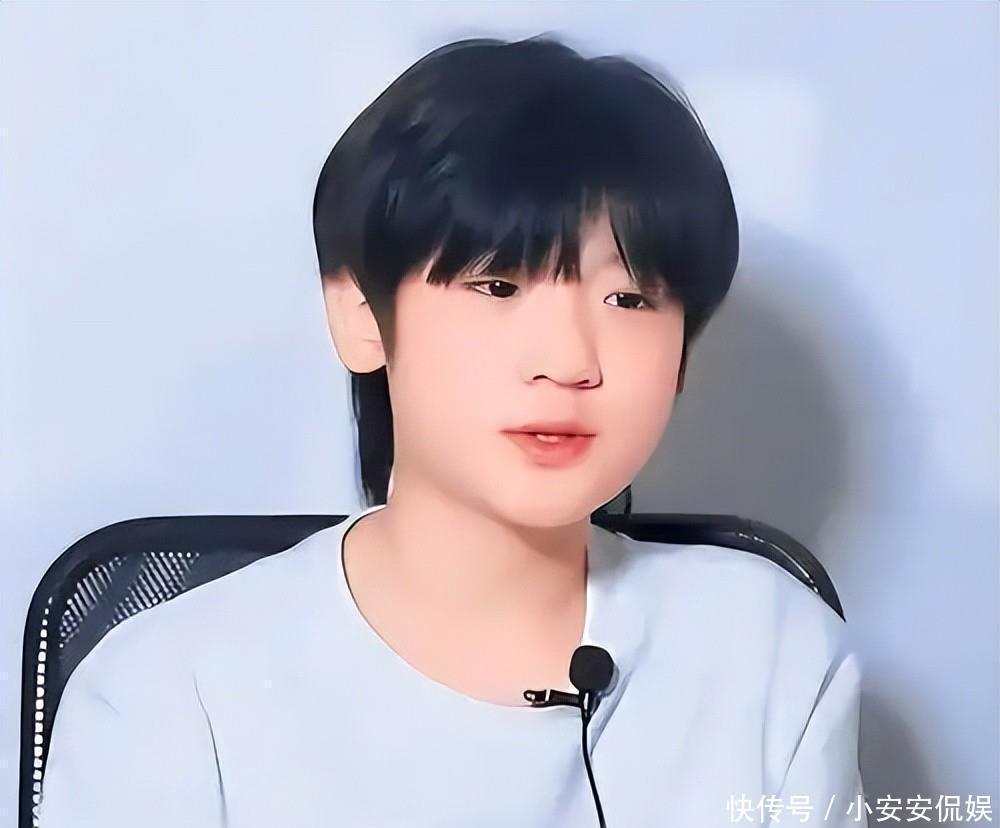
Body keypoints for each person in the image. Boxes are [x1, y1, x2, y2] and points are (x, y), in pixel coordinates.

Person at [38, 34, 867, 828]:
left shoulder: (769, 653)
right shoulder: (167, 690)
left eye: (629, 299)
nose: (570, 362)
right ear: (361, 316)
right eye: (498, 285)